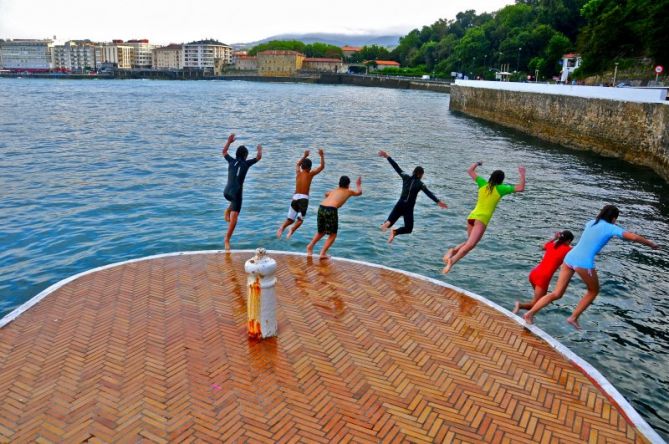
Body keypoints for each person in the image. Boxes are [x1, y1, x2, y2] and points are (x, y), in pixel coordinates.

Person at [523, 205, 659, 329]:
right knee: (593, 291)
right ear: (613, 218)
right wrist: (651, 244)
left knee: (556, 293)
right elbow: (634, 237)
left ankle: (529, 314)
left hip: (569, 258)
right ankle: (573, 317)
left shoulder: (590, 223)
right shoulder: (611, 227)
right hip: (583, 262)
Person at [443, 162, 526, 274]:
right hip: (481, 220)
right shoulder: (501, 188)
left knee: (468, 242)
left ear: (491, 177)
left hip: (472, 216)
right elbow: (520, 188)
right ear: (501, 180)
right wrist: (522, 174)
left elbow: (470, 171)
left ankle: (452, 251)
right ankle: (451, 261)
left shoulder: (482, 183)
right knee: (471, 245)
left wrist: (477, 163)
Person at [377, 150, 448, 243]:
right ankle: (395, 232)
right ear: (420, 174)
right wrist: (438, 202)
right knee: (409, 228)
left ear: (413, 172)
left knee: (389, 222)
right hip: (408, 208)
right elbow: (428, 193)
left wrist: (387, 156)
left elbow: (396, 167)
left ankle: (387, 224)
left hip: (400, 203)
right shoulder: (420, 184)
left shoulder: (405, 176)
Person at [512, 230, 574, 314]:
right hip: (543, 277)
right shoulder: (568, 250)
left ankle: (529, 315)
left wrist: (554, 238)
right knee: (537, 304)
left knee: (542, 299)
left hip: (534, 273)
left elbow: (542, 247)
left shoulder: (552, 245)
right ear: (569, 241)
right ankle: (519, 306)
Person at [222, 133, 262, 251]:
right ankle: (227, 240)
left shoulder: (231, 161)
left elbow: (224, 151)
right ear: (245, 156)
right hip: (235, 195)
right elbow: (259, 158)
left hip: (226, 192)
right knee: (234, 220)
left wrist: (229, 142)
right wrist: (259, 150)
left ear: (236, 154)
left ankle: (228, 210)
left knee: (234, 200)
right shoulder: (246, 163)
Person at [306, 176, 362, 259]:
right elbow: (359, 193)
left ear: (339, 183)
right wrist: (358, 184)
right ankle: (322, 253)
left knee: (321, 231)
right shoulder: (349, 191)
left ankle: (310, 246)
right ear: (348, 184)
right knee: (333, 235)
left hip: (321, 207)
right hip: (331, 210)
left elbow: (326, 194)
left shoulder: (334, 190)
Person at [277, 149, 325, 239]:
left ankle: (282, 227)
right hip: (303, 198)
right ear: (309, 168)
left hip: (294, 198)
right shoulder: (310, 174)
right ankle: (292, 230)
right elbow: (322, 167)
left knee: (290, 219)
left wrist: (304, 156)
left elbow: (297, 164)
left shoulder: (298, 173)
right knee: (300, 220)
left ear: (302, 167)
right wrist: (322, 155)